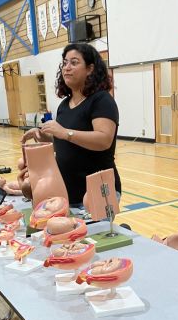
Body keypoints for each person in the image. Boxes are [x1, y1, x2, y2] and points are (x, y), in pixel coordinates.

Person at [20, 43, 121, 207]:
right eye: (65, 63)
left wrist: (65, 132)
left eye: (74, 63)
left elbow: (104, 140)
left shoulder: (102, 100)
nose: (67, 68)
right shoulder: (64, 105)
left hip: (98, 190)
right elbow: (65, 143)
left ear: (90, 69)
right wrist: (44, 136)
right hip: (68, 193)